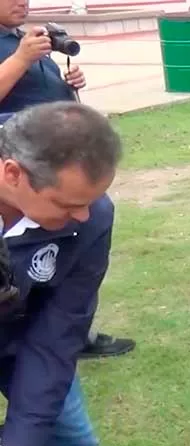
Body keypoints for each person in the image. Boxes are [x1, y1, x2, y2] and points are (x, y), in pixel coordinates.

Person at [0, 101, 167, 446]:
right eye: (67, 203)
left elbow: (58, 333)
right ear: (12, 173)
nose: (83, 216)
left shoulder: (91, 215)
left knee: (72, 445)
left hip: (24, 337)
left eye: (92, 200)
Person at [0, 0, 135, 358]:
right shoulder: (23, 49)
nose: (21, 2)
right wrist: (21, 60)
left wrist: (67, 84)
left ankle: (73, 333)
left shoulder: (26, 39)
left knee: (74, 250)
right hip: (22, 179)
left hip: (56, 166)